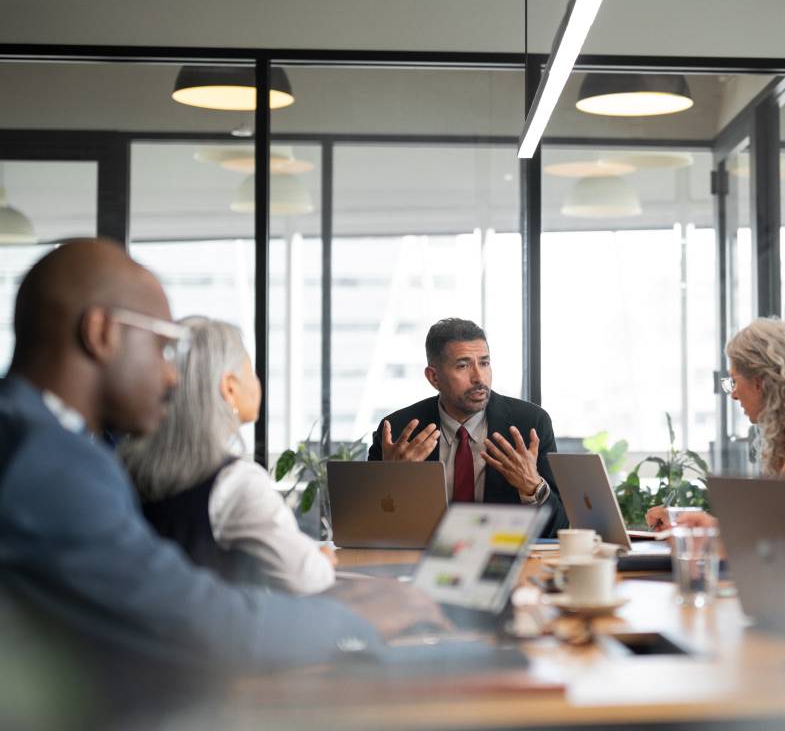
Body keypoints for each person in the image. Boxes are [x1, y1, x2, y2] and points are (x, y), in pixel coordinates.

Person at [0, 240, 439, 721]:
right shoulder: (44, 462)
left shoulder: (32, 438)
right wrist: (351, 621)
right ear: (102, 333)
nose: (172, 377)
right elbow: (189, 619)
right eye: (162, 348)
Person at [120, 317, 336, 595]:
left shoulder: (125, 464)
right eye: (251, 371)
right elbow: (307, 576)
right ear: (230, 387)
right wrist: (323, 560)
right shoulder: (234, 482)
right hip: (210, 622)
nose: (257, 382)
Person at [646, 317, 785, 531]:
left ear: (759, 383)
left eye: (734, 381)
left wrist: (707, 531)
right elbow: (775, 533)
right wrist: (691, 523)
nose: (733, 395)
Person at [368, 317, 568, 535]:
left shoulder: (530, 424)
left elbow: (559, 529)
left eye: (484, 363)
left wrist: (533, 487)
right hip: (422, 554)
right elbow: (367, 527)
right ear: (434, 377)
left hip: (503, 551)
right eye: (463, 366)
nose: (478, 377)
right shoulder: (397, 431)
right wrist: (392, 481)